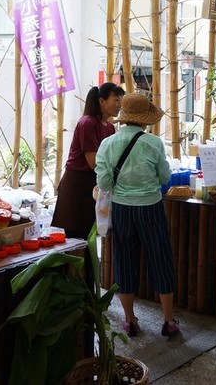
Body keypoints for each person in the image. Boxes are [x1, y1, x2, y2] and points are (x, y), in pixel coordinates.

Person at [95, 92, 177, 338]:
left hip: (121, 209)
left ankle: (130, 320)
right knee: (160, 260)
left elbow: (105, 182)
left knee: (125, 262)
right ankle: (168, 321)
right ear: (145, 119)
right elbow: (165, 178)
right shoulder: (153, 143)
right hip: (150, 207)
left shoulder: (107, 144)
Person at [53, 82, 124, 239]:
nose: (120, 104)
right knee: (76, 238)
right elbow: (93, 161)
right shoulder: (88, 123)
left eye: (121, 100)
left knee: (91, 237)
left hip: (95, 184)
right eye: (116, 100)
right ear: (102, 101)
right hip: (78, 185)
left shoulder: (110, 127)